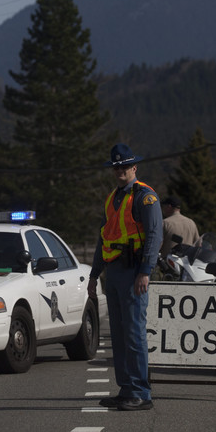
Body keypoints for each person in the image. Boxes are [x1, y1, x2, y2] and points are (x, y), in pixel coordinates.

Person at [87, 143, 163, 411]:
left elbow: (154, 235)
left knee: (133, 333)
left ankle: (141, 393)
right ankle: (126, 389)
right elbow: (103, 237)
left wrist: (145, 271)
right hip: (114, 271)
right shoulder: (112, 198)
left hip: (133, 271)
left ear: (134, 167)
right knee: (118, 334)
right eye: (116, 167)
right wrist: (94, 274)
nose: (120, 171)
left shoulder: (145, 197)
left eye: (125, 166)